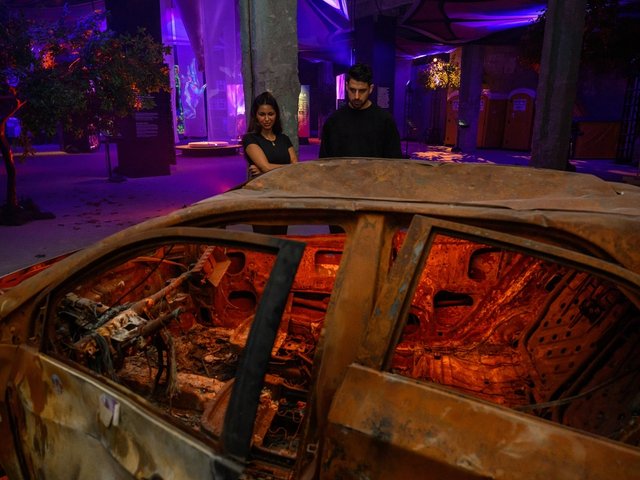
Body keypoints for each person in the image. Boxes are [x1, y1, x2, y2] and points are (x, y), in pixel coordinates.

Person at [319, 63, 402, 159]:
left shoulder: (385, 121)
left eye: (362, 91)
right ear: (346, 87)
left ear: (370, 89)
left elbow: (395, 161)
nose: (356, 96)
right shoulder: (333, 122)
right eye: (352, 90)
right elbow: (324, 162)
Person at [243, 91, 298, 179]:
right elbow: (266, 167)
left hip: (286, 184)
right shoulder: (250, 138)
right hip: (264, 186)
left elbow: (296, 167)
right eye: (262, 114)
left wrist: (264, 171)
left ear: (276, 115)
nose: (267, 119)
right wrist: (265, 169)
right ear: (255, 116)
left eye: (271, 114)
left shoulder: (284, 138)